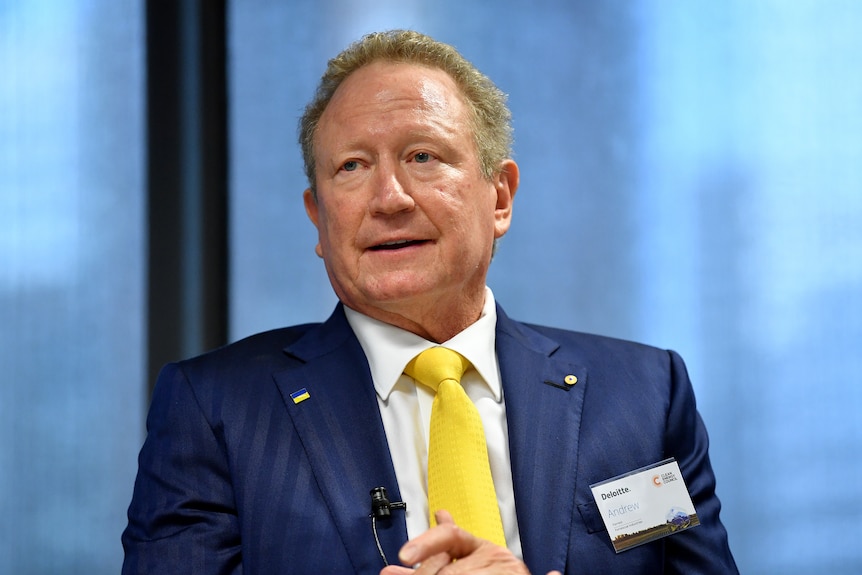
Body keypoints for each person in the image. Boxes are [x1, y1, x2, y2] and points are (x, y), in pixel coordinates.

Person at [122, 29, 738, 574]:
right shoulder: (215, 410)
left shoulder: (643, 395)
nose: (388, 197)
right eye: (352, 167)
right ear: (318, 218)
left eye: (422, 157)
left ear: (500, 196)